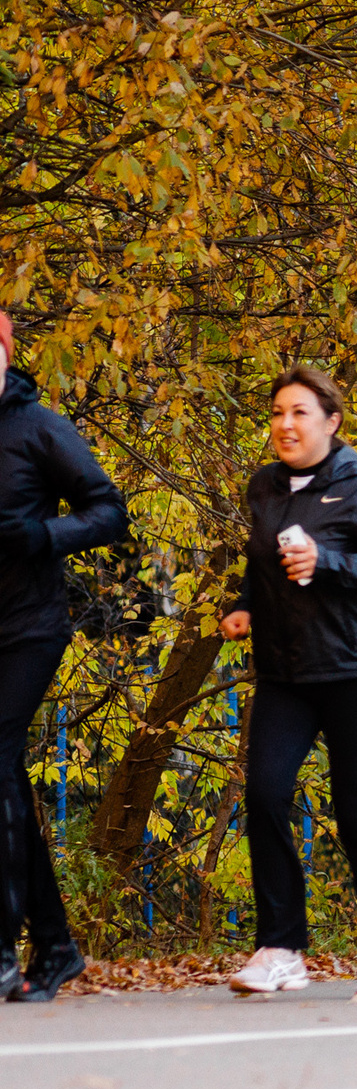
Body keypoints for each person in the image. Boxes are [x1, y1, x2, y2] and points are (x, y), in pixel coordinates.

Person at [223, 366, 357, 998]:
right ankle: (282, 948)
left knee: (355, 809)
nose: (285, 424)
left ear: (331, 422)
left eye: (300, 413)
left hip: (356, 671)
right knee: (263, 796)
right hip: (286, 672)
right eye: (278, 412)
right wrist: (244, 604)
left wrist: (328, 561)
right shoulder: (263, 488)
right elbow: (261, 564)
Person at [0, 311, 129, 1003]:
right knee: (7, 783)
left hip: (30, 627)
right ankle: (54, 944)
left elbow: (110, 510)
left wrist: (42, 533)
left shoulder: (40, 427)